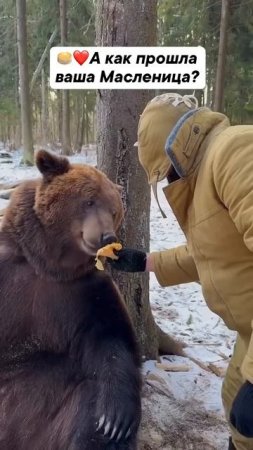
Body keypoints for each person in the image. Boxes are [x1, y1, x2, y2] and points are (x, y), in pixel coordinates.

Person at [109, 92, 253, 450]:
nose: (168, 180)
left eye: (164, 171)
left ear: (176, 148)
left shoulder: (235, 151)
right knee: (236, 401)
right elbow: (213, 252)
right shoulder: (205, 169)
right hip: (248, 330)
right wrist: (145, 261)